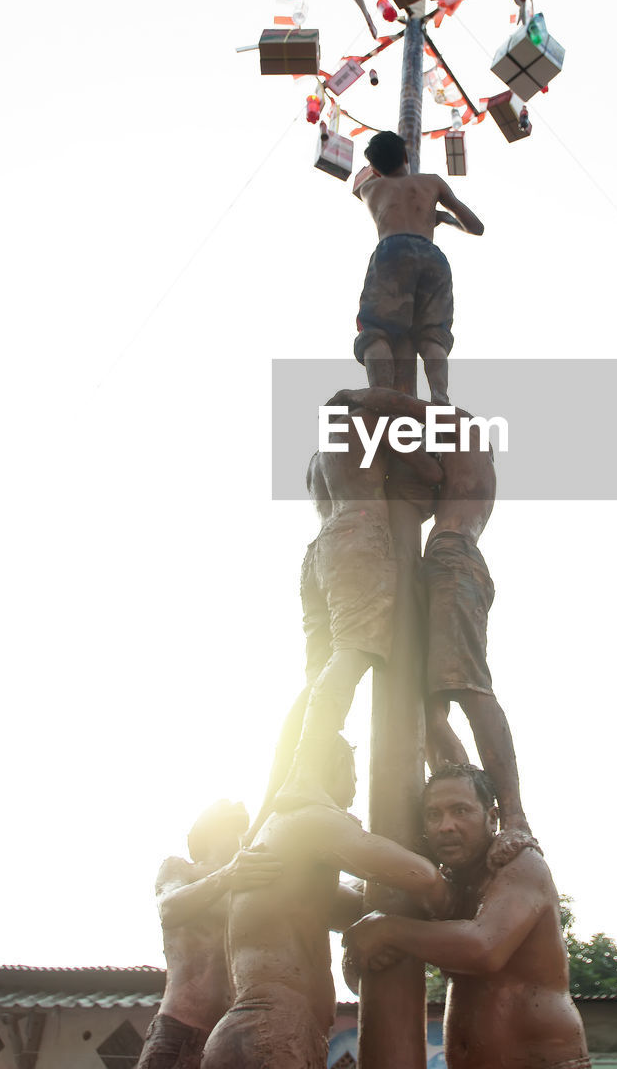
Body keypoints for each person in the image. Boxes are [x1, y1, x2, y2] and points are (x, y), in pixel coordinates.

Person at [329, 385, 530, 840]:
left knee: (468, 684)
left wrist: (361, 397)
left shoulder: (463, 431)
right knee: (432, 713)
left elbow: (405, 413)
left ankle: (512, 814)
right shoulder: (464, 458)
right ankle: (461, 805)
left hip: (452, 559)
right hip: (442, 560)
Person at [201, 735, 453, 1069]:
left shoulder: (286, 850)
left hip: (251, 1032)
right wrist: (452, 899)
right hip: (275, 1033)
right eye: (353, 776)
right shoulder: (314, 818)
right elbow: (421, 875)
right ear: (334, 766)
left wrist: (381, 926)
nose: (353, 790)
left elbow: (352, 909)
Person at [261, 398, 442, 819]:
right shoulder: (365, 423)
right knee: (352, 652)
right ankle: (304, 776)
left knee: (316, 678)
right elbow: (431, 477)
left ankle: (285, 786)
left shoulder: (318, 456)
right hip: (360, 537)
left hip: (319, 551)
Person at [344, 764, 589, 1069]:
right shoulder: (445, 886)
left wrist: (386, 929)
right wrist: (359, 944)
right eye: (434, 815)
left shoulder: (520, 865)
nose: (445, 826)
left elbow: (484, 948)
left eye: (460, 811)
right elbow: (358, 944)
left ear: (491, 818)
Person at [136, 800, 281, 1069]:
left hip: (228, 1037)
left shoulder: (248, 888)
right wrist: (227, 874)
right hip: (180, 1025)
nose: (238, 837)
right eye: (230, 827)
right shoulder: (182, 869)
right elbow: (169, 908)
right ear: (208, 832)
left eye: (241, 829)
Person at [353, 130, 484, 404]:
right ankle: (440, 397)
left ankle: (381, 396)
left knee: (376, 329)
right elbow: (476, 227)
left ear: (375, 169)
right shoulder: (432, 183)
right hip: (431, 256)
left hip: (391, 252)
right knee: (433, 333)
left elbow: (362, 180)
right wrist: (442, 218)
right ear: (405, 155)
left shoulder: (370, 189)